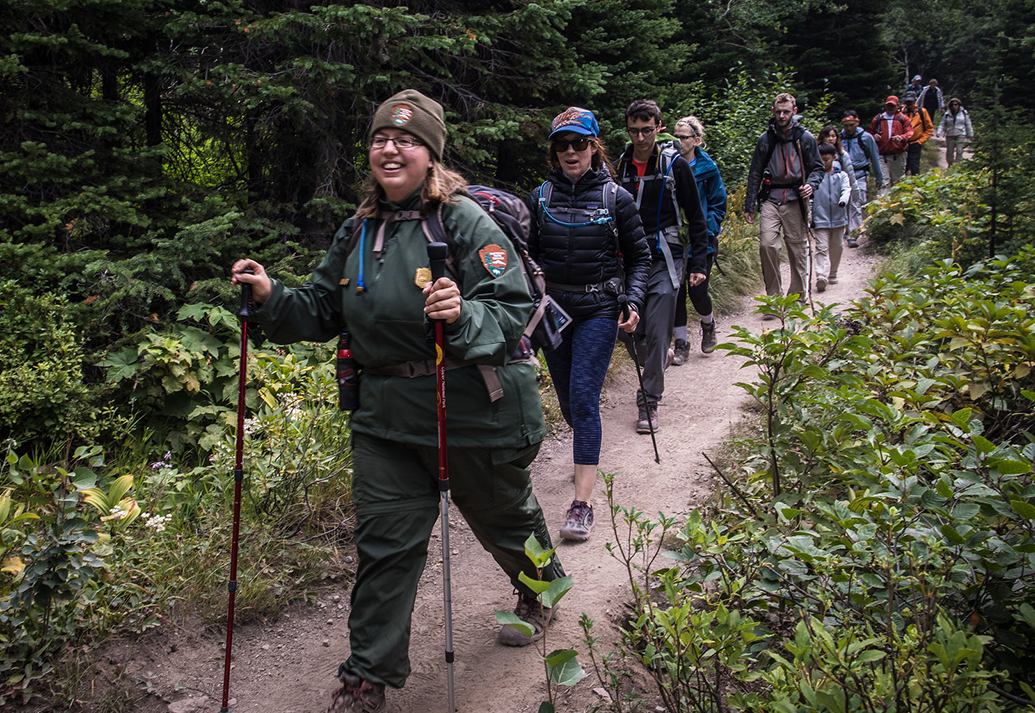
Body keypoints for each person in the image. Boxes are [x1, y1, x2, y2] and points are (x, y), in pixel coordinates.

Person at [230, 89, 565, 713]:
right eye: (382, 138)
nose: (391, 148)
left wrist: (462, 316)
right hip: (384, 417)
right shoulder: (358, 230)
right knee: (385, 545)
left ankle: (541, 591)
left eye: (407, 140)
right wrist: (272, 296)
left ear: (431, 156)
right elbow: (322, 308)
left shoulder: (463, 220)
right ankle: (366, 678)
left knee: (504, 519)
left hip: (469, 411)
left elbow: (514, 304)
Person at [526, 107, 650, 542]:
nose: (571, 151)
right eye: (562, 145)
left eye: (579, 143)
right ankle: (587, 457)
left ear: (594, 147)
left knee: (582, 398)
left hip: (600, 307)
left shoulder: (616, 198)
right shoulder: (539, 198)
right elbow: (529, 257)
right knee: (567, 402)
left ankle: (582, 504)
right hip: (555, 311)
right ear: (554, 152)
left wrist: (632, 299)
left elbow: (640, 258)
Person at [614, 99, 709, 434]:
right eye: (634, 130)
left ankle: (649, 400)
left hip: (665, 257)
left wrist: (698, 261)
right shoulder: (619, 167)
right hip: (627, 260)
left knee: (656, 330)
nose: (640, 138)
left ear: (659, 127)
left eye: (647, 130)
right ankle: (659, 358)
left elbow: (696, 217)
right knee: (629, 330)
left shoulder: (675, 165)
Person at [742, 93, 822, 308]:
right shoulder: (765, 139)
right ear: (773, 112)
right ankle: (774, 299)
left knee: (797, 249)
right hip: (771, 197)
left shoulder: (805, 138)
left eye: (786, 111)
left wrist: (811, 185)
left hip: (796, 198)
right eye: (778, 111)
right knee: (767, 245)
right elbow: (755, 173)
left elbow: (817, 168)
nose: (782, 115)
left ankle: (797, 297)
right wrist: (749, 205)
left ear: (794, 112)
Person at [669, 115, 726, 364]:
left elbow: (718, 203)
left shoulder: (708, 169)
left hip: (701, 241)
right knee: (676, 292)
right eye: (676, 137)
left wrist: (706, 229)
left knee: (698, 290)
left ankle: (708, 323)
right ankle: (681, 343)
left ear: (697, 140)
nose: (679, 141)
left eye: (684, 137)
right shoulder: (667, 165)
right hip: (674, 240)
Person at [808, 143, 851, 292]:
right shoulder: (814, 178)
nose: (823, 163)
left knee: (837, 246)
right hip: (820, 218)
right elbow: (810, 198)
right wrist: (809, 216)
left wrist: (843, 201)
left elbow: (847, 189)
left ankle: (833, 273)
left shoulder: (841, 175)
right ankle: (821, 276)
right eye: (821, 160)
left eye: (826, 159)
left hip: (839, 217)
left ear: (834, 158)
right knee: (821, 247)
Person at [837, 110, 883, 247]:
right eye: (846, 125)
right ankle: (847, 229)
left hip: (860, 174)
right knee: (844, 203)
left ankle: (853, 234)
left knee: (856, 203)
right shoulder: (838, 138)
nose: (849, 128)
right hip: (842, 176)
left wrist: (878, 177)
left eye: (851, 125)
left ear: (857, 122)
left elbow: (875, 158)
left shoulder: (866, 138)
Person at [870, 95, 912, 193]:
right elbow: (870, 133)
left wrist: (901, 137)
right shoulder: (878, 118)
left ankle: (898, 204)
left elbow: (909, 132)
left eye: (892, 106)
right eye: (888, 105)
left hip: (898, 154)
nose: (890, 107)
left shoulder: (903, 119)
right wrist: (874, 137)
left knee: (898, 181)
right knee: (883, 181)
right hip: (882, 155)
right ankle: (883, 203)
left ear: (897, 106)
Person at [902, 95, 935, 177]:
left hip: (915, 143)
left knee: (915, 167)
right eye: (907, 102)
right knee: (902, 167)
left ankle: (916, 186)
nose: (909, 104)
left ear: (915, 101)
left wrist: (921, 141)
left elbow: (929, 128)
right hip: (902, 144)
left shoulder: (921, 112)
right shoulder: (900, 113)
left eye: (911, 101)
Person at [937, 96, 974, 166]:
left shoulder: (964, 113)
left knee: (959, 150)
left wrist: (971, 135)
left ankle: (958, 165)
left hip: (960, 133)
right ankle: (950, 164)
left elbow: (968, 124)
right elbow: (942, 124)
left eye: (956, 104)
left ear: (959, 105)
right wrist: (939, 132)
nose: (954, 106)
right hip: (950, 134)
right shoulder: (947, 114)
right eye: (952, 105)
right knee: (949, 152)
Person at [917, 79, 946, 167]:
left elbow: (940, 99)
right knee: (927, 117)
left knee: (931, 119)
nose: (932, 85)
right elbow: (921, 97)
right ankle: (925, 130)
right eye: (931, 84)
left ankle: (929, 130)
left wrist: (942, 107)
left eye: (934, 84)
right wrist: (917, 105)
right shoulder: (925, 89)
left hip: (933, 107)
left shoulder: (937, 91)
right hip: (925, 106)